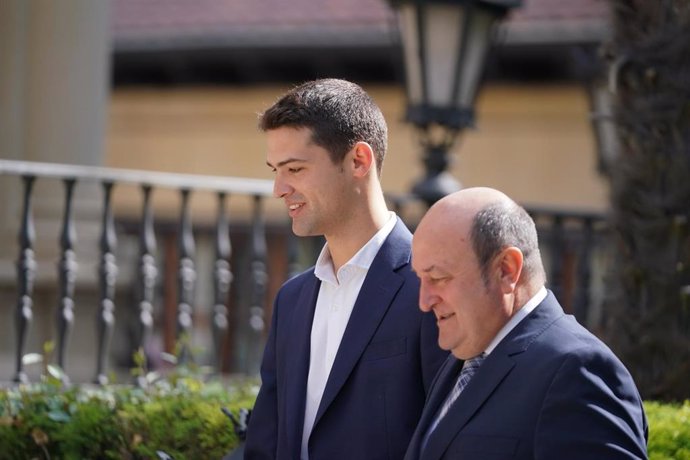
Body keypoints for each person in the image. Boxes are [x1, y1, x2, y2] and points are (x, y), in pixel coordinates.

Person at [244, 78, 448, 460]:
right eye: (275, 169)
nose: (278, 188)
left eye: (294, 169)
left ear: (358, 160)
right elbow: (265, 444)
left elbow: (445, 439)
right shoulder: (291, 300)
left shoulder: (432, 289)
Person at [405, 187, 648, 460]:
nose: (424, 302)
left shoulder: (577, 371)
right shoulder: (463, 358)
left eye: (438, 277)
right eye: (420, 279)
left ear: (506, 269)